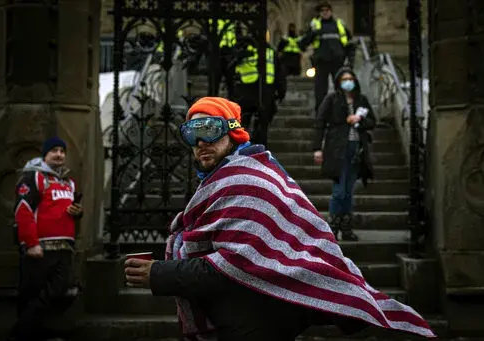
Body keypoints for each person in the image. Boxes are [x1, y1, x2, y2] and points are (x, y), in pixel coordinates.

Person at [124, 97, 434, 341]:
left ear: (232, 131)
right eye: (191, 134)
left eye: (209, 129)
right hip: (244, 318)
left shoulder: (248, 180)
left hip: (257, 319)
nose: (201, 142)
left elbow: (234, 264)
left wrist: (160, 274)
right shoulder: (223, 180)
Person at [7, 137, 83, 341]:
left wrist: (77, 212)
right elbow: (23, 211)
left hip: (64, 247)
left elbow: (67, 212)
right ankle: (23, 333)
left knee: (58, 291)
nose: (59, 154)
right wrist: (31, 243)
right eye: (54, 151)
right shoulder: (34, 177)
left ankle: (25, 331)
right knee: (33, 294)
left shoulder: (68, 182)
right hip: (41, 247)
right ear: (45, 155)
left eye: (62, 151)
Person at [313, 67, 376, 241]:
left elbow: (373, 121)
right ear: (339, 82)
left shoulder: (361, 100)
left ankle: (346, 228)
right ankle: (332, 227)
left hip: (356, 149)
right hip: (337, 150)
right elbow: (320, 123)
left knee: (349, 191)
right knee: (339, 191)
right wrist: (317, 148)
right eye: (344, 79)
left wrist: (360, 120)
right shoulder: (332, 99)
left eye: (350, 79)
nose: (348, 82)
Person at [299, 2, 356, 114]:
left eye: (327, 10)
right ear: (320, 13)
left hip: (338, 63)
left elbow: (350, 44)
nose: (325, 12)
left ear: (331, 11)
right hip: (321, 62)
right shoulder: (315, 26)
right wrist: (313, 33)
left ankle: (343, 113)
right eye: (322, 11)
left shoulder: (339, 25)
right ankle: (321, 115)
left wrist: (350, 61)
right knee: (320, 91)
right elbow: (302, 44)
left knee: (341, 89)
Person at [232, 30, 286, 147]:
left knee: (246, 122)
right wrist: (281, 91)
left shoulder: (247, 49)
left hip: (248, 91)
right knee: (261, 123)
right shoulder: (270, 52)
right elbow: (279, 73)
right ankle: (257, 146)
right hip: (264, 91)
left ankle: (245, 146)